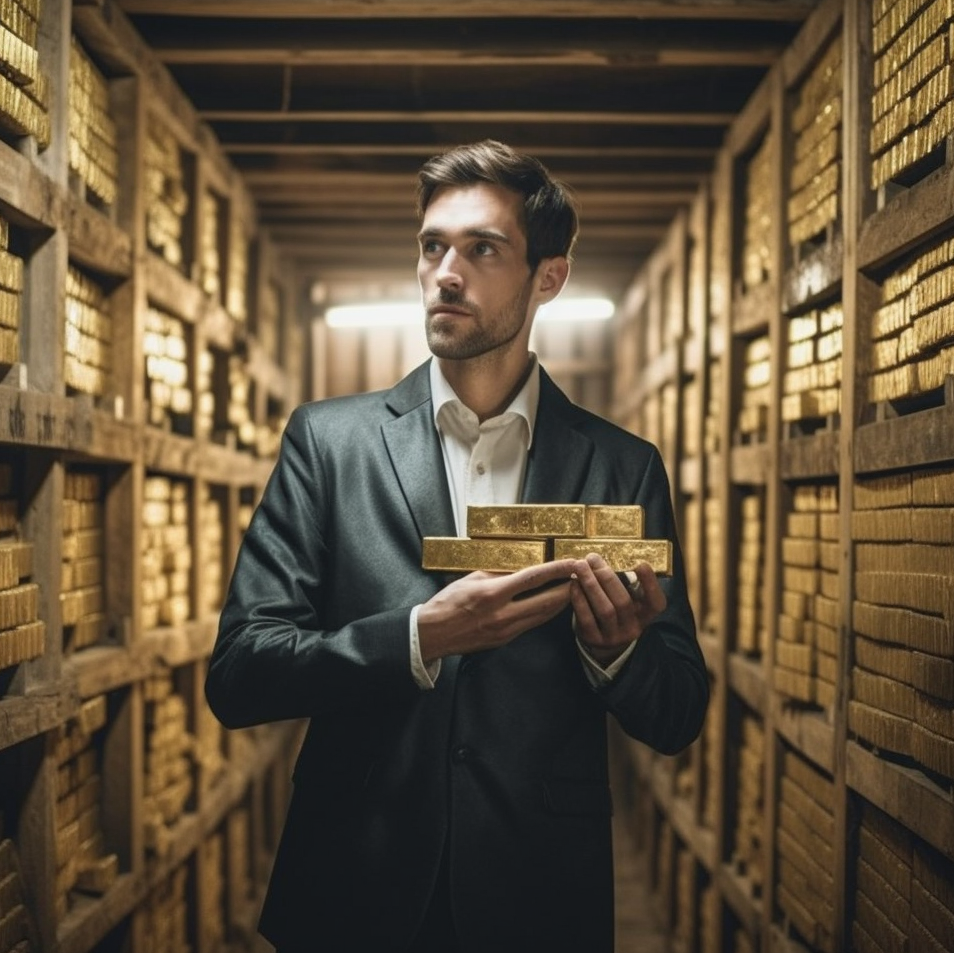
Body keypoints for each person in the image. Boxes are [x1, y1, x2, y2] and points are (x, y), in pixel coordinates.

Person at [206, 139, 708, 953]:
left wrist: (617, 654)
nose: (446, 271)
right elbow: (239, 674)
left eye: (482, 249)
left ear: (549, 276)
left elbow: (680, 710)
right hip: (352, 880)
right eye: (433, 245)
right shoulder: (330, 442)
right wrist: (419, 637)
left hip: (538, 890)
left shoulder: (621, 466)